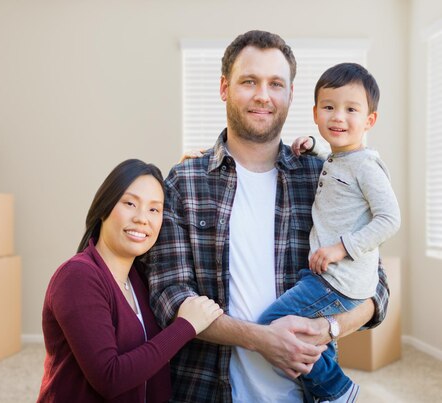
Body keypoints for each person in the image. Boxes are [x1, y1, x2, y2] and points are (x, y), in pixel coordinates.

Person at [144, 30, 390, 403]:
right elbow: (169, 295)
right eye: (249, 81)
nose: (263, 95)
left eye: (276, 83)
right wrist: (262, 339)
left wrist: (329, 327)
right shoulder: (184, 182)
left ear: (291, 94)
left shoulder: (321, 176)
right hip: (206, 390)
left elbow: (376, 285)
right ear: (225, 87)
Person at [256, 62, 401, 402]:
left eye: (351, 109)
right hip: (327, 275)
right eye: (329, 107)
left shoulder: (367, 165)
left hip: (338, 278)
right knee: (318, 340)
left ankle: (336, 388)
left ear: (369, 120)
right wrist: (313, 148)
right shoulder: (338, 158)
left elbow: (389, 218)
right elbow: (339, 178)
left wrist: (341, 248)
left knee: (271, 324)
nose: (338, 117)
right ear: (316, 113)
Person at [37, 159, 223, 403]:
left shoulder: (139, 278)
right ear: (104, 207)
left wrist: (194, 168)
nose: (142, 218)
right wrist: (185, 326)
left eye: (154, 209)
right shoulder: (78, 277)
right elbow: (110, 378)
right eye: (130, 203)